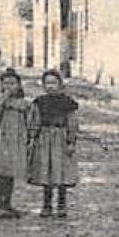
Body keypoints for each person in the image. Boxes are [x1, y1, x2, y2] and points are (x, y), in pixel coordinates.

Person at [27, 69, 80, 219]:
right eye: (47, 83)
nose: (50, 86)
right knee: (46, 171)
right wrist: (32, 138)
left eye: (53, 83)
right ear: (43, 85)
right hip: (44, 140)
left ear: (60, 84)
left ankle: (62, 204)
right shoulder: (39, 102)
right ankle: (47, 204)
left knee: (61, 171)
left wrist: (71, 141)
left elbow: (72, 123)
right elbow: (34, 121)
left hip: (60, 139)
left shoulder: (67, 103)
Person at [0, 69, 32, 220]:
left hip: (16, 140)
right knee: (2, 172)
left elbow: (29, 120)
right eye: (6, 83)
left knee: (11, 173)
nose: (9, 86)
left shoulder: (23, 104)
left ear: (19, 85)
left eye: (12, 83)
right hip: (1, 141)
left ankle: (7, 204)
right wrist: (3, 100)